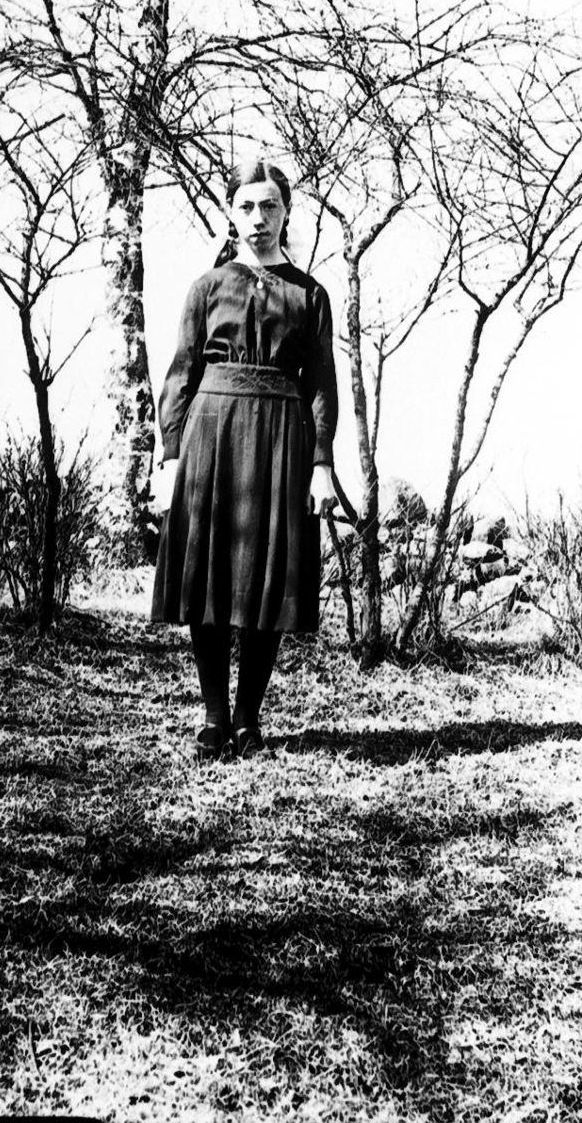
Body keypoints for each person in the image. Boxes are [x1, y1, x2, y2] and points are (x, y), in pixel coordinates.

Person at [151, 159, 338, 760]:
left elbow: (322, 385)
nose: (259, 218)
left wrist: (322, 464)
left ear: (287, 213)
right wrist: (171, 458)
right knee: (208, 575)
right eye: (247, 207)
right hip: (211, 437)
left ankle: (248, 718)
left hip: (282, 441)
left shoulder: (310, 295)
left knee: (268, 577)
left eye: (270, 206)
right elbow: (181, 375)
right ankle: (213, 718)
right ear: (231, 213)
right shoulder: (206, 288)